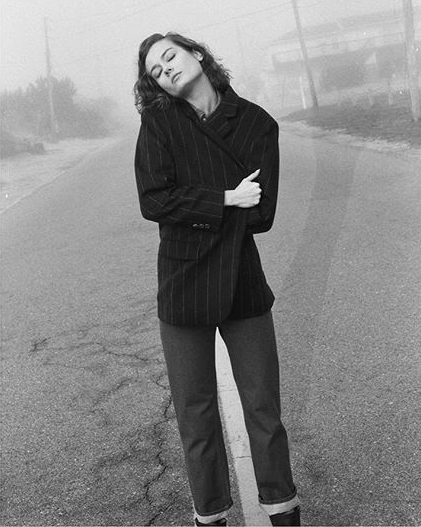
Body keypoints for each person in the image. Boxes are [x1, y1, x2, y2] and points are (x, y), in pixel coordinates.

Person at [133, 32, 300, 527]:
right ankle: (211, 516)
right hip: (183, 283)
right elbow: (153, 200)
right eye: (156, 71)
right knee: (196, 415)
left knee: (264, 409)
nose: (166, 69)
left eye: (170, 56)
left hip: (242, 280)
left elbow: (263, 213)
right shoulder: (159, 122)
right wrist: (226, 198)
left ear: (197, 54)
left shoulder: (256, 122)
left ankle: (283, 510)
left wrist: (192, 203)